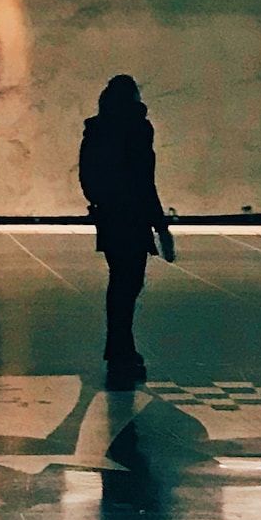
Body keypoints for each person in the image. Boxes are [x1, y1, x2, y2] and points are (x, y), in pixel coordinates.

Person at [77, 73, 172, 385]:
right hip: (134, 215)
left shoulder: (96, 129)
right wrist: (161, 225)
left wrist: (100, 203)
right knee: (130, 284)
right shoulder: (139, 128)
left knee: (119, 282)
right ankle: (121, 349)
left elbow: (87, 175)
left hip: (110, 215)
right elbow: (145, 179)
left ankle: (119, 348)